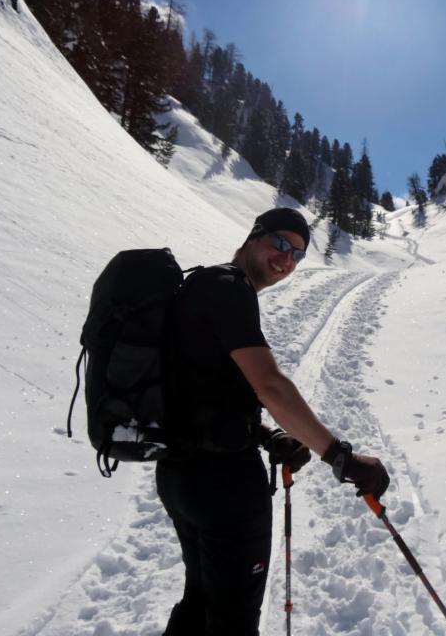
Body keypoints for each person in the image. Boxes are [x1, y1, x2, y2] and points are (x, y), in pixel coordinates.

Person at [157, 207, 390, 635]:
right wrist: (341, 457)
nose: (287, 259)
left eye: (298, 254)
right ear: (253, 236)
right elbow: (271, 386)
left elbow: (197, 390)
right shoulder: (229, 290)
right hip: (224, 485)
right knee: (233, 622)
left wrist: (264, 434)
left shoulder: (202, 285)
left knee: (200, 602)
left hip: (181, 475)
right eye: (280, 243)